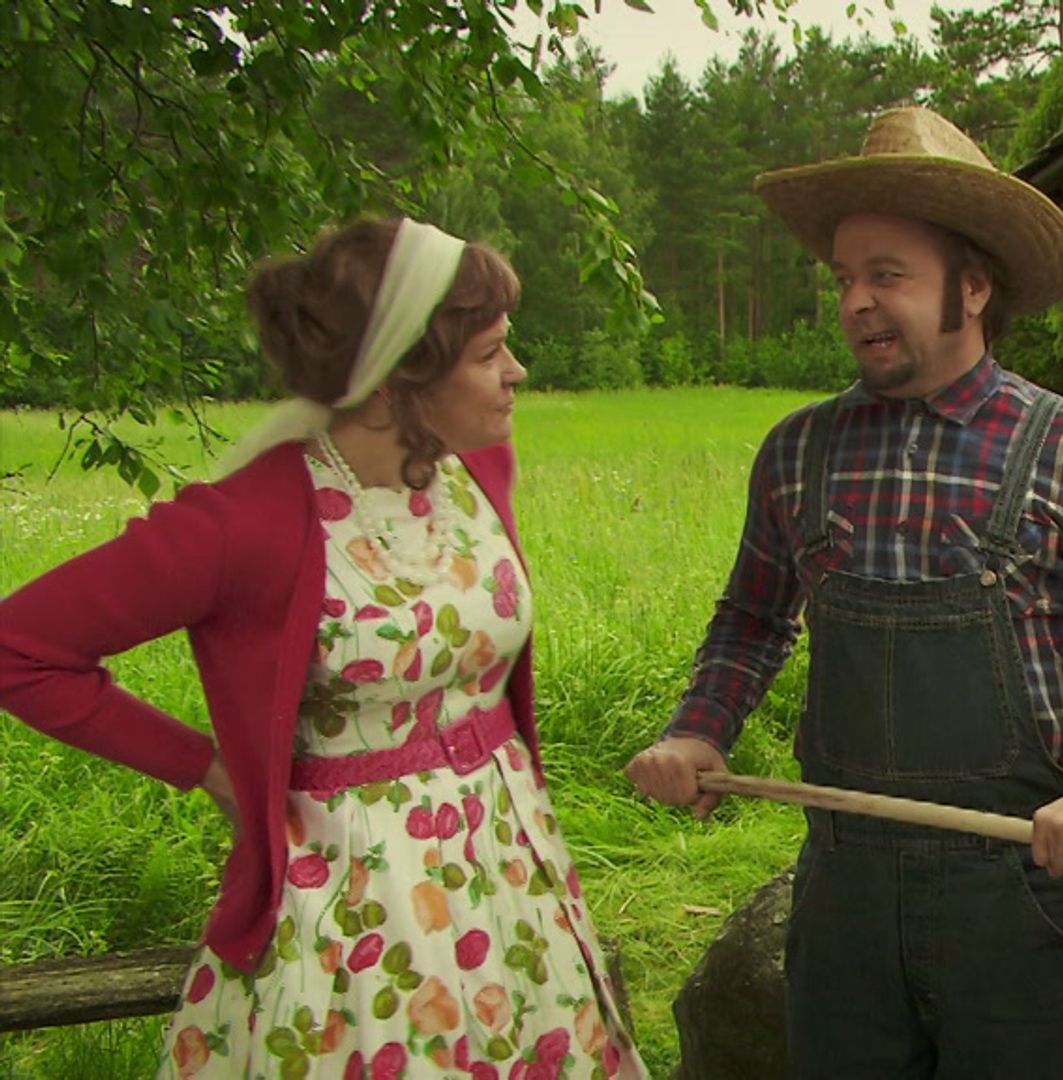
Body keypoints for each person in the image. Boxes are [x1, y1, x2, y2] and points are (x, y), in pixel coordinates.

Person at [625, 106, 1063, 1078]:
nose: (857, 302)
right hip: (846, 892)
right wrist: (701, 730)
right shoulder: (798, 452)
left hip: (1016, 893)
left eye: (888, 275)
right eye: (844, 278)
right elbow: (750, 622)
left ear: (974, 287)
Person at [0, 218, 646, 1079]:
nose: (517, 371)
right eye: (490, 353)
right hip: (357, 903)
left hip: (510, 869)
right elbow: (19, 648)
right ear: (390, 384)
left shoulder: (476, 471)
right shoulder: (241, 524)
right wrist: (209, 770)